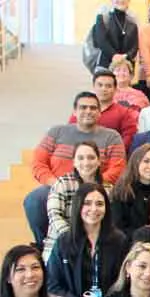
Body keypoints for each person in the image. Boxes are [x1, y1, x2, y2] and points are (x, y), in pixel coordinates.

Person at [26, 92, 126, 247]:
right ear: (74, 111)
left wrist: (91, 185)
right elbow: (38, 163)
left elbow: (117, 168)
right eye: (83, 107)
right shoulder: (56, 132)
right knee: (35, 199)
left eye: (93, 108)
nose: (88, 111)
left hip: (98, 186)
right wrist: (58, 184)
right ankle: (43, 245)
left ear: (100, 113)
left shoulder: (111, 137)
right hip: (58, 186)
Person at [47, 183, 129, 297]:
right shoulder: (64, 242)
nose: (93, 209)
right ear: (78, 206)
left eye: (99, 204)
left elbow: (123, 281)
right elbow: (53, 284)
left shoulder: (119, 241)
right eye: (87, 203)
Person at [43, 141, 105, 262]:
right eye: (80, 158)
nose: (86, 162)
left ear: (98, 162)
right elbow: (54, 215)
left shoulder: (107, 189)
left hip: (96, 245)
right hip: (62, 242)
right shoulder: (63, 183)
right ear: (74, 162)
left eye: (91, 158)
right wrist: (73, 237)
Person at [70, 70, 141, 151]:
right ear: (93, 87)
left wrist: (114, 154)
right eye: (100, 85)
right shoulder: (82, 110)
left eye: (108, 86)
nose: (104, 89)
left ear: (115, 89)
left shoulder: (124, 113)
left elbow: (129, 138)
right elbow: (70, 132)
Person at [110, 143, 150, 238]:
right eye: (146, 161)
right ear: (136, 162)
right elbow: (118, 227)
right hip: (130, 245)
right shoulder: (121, 191)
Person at [90, 0, 139, 70]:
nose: (121, 1)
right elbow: (101, 41)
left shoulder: (133, 20)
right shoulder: (102, 16)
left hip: (125, 69)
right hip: (105, 67)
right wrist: (114, 55)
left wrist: (125, 57)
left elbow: (135, 46)